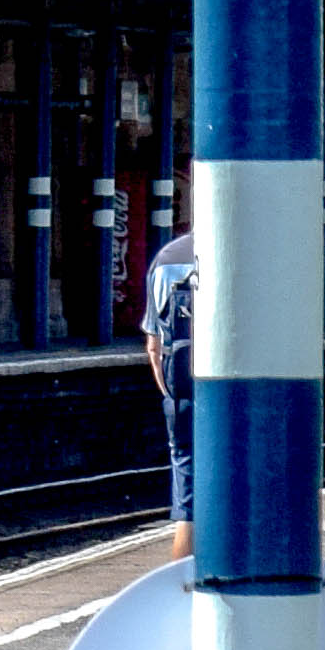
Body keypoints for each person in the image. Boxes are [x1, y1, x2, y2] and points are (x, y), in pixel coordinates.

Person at [141, 211, 203, 559]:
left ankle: (183, 582)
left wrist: (169, 391)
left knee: (188, 485)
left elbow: (153, 343)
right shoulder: (252, 251)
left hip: (181, 384)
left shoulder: (166, 259)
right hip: (241, 393)